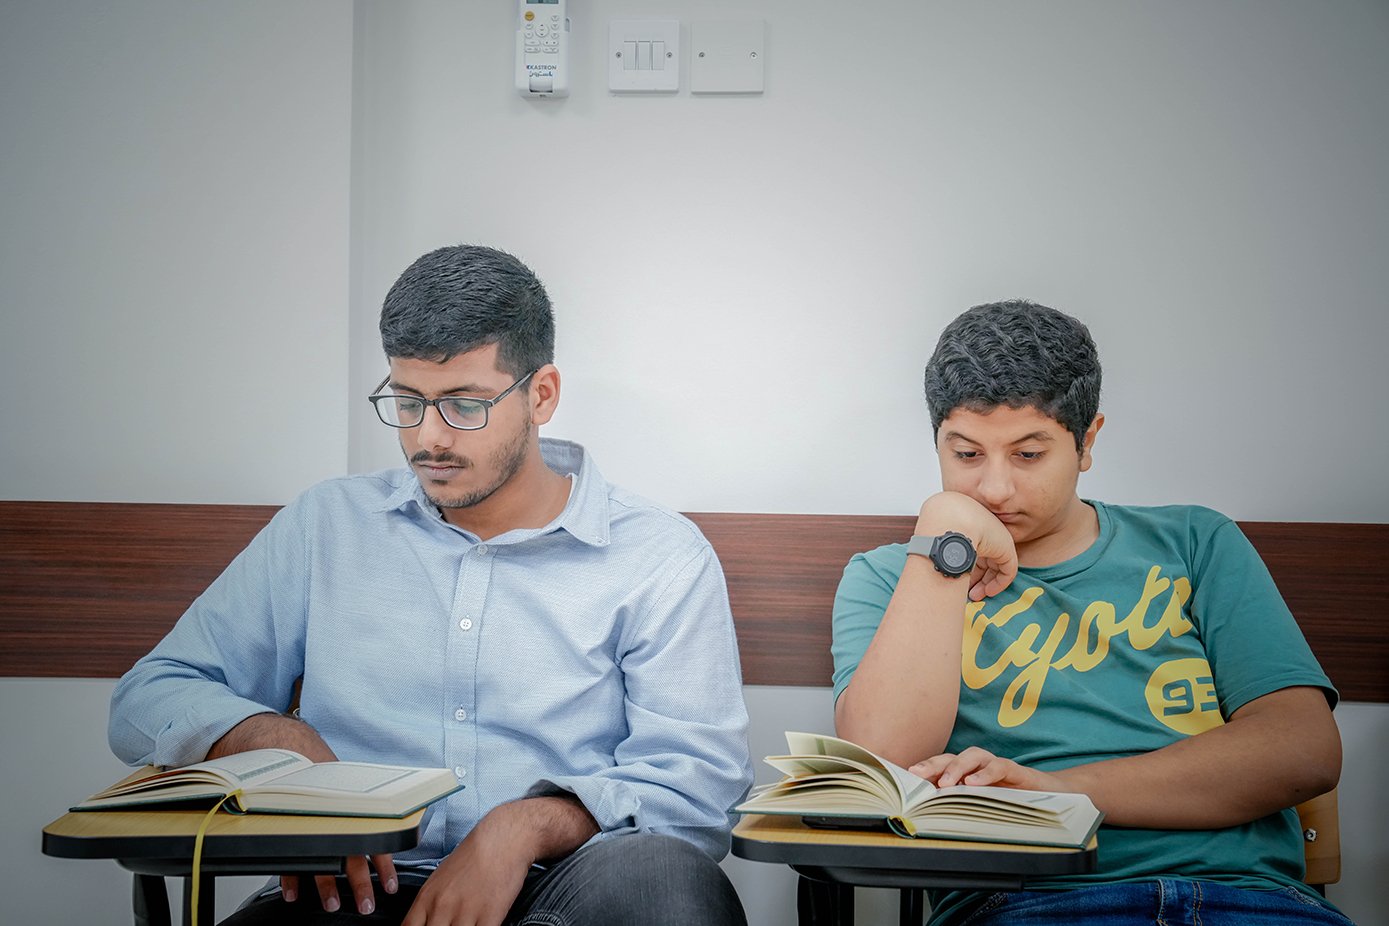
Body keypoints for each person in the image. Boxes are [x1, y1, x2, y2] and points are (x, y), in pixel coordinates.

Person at [108, 244, 753, 926]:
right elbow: (149, 694)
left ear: (540, 395)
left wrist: (526, 825)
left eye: (464, 405)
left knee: (666, 882)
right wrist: (267, 735)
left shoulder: (658, 554)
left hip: (569, 885)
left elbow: (697, 785)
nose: (429, 439)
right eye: (407, 402)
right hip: (347, 890)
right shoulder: (326, 525)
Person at [831, 300, 1352, 925]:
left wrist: (1058, 794)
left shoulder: (1195, 542)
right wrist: (945, 533)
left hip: (1249, 900)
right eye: (966, 454)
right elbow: (878, 768)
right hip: (1024, 904)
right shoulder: (894, 576)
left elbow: (1303, 751)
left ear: (1088, 441)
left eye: (1028, 454)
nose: (994, 489)